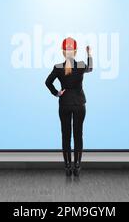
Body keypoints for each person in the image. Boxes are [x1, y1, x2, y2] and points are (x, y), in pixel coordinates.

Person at [45, 37, 93, 177]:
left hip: (64, 104)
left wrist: (57, 93)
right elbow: (90, 68)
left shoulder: (58, 67)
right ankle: (77, 166)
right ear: (76, 51)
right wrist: (89, 54)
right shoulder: (81, 65)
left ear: (63, 52)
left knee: (66, 135)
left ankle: (67, 167)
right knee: (78, 135)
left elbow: (48, 82)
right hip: (79, 104)